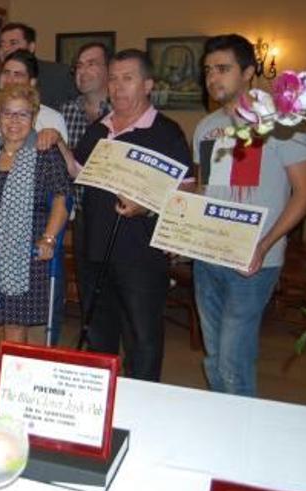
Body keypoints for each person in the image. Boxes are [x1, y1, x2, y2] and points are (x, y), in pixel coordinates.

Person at [193, 34, 306, 396]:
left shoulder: (280, 122)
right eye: (209, 70)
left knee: (233, 362)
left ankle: (240, 443)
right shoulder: (205, 126)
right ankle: (223, 429)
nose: (214, 78)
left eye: (223, 69)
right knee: (214, 358)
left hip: (254, 262)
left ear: (248, 72)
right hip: (208, 256)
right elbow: (204, 190)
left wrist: (264, 245)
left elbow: (304, 194)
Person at [69, 49, 193, 382]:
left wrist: (148, 206)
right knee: (98, 334)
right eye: (113, 79)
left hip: (141, 254)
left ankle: (143, 409)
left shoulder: (167, 132)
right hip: (94, 249)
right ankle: (101, 404)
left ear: (148, 84)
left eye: (128, 78)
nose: (118, 87)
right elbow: (78, 172)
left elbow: (186, 193)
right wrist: (56, 142)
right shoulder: (98, 129)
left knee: (142, 339)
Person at [0, 83, 69, 355]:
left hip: (26, 257)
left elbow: (61, 199)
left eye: (22, 114)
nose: (14, 121)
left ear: (33, 118)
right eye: (7, 114)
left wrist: (49, 238)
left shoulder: (46, 155)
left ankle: (10, 384)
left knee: (14, 327)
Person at [50, 42, 113, 345]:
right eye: (79, 65)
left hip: (115, 214)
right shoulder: (65, 111)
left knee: (118, 288)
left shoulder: (123, 111)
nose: (84, 71)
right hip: (78, 212)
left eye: (92, 63)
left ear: (108, 69)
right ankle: (96, 347)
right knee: (88, 285)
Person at [0, 50, 68, 167]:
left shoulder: (52, 118)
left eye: (17, 74)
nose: (9, 80)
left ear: (32, 82)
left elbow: (63, 165)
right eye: (6, 73)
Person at [0, 22, 77, 110]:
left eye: (13, 43)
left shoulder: (60, 73)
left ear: (31, 47)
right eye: (1, 45)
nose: (5, 49)